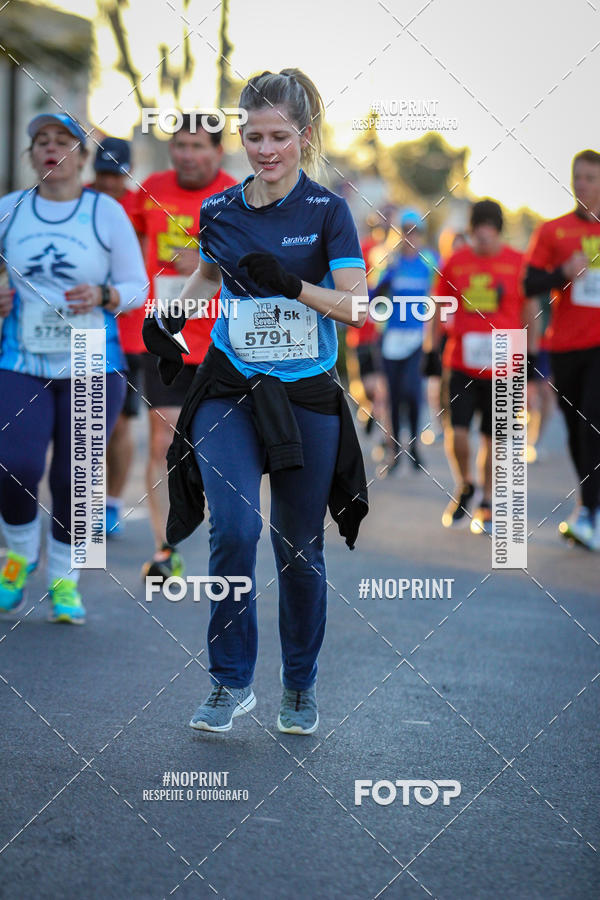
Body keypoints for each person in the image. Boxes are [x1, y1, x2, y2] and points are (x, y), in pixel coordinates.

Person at [143, 68, 369, 735]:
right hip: (231, 385)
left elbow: (356, 307)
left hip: (305, 391)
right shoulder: (218, 209)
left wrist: (294, 287)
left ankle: (298, 686)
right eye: (253, 136)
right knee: (234, 529)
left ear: (303, 135)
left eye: (278, 136)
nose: (264, 149)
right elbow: (209, 273)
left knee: (297, 547)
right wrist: (171, 318)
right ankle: (229, 681)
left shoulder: (328, 212)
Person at [0, 114, 147, 621]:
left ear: (82, 158)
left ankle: (65, 579)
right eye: (41, 141)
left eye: (64, 142)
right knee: (15, 464)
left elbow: (138, 287)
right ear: (31, 153)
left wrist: (105, 294)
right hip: (21, 359)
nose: (51, 149)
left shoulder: (104, 212)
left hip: (92, 359)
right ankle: (19, 555)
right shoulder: (10, 210)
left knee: (74, 476)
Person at [131, 115, 236, 579]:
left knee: (219, 446)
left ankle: (225, 540)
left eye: (198, 146)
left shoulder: (237, 195)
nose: (187, 154)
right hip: (166, 337)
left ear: (217, 151)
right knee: (162, 439)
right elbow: (126, 242)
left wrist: (209, 262)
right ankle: (163, 549)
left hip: (222, 341)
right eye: (180, 145)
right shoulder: (150, 188)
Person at [425, 199, 538, 534]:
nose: (484, 237)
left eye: (490, 229)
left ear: (498, 230)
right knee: (456, 433)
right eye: (478, 230)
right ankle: (465, 483)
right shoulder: (455, 262)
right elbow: (437, 305)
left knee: (494, 439)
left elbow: (529, 309)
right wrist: (430, 351)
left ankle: (487, 502)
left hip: (504, 363)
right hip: (460, 361)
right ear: (473, 230)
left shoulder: (519, 263)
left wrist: (529, 359)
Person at [524, 149, 600, 550]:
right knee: (575, 429)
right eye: (579, 176)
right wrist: (561, 274)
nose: (583, 184)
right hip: (566, 345)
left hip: (599, 346)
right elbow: (528, 284)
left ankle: (590, 512)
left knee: (592, 420)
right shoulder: (553, 232)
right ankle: (591, 506)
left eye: (591, 177)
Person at [87, 137, 144, 536]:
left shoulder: (141, 206)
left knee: (120, 426)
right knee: (85, 421)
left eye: (116, 174)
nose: (109, 183)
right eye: (104, 174)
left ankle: (111, 502)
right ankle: (83, 503)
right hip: (84, 330)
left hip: (130, 334)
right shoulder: (78, 200)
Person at [373, 209, 437, 476]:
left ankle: (415, 449)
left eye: (415, 231)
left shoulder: (429, 262)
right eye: (406, 231)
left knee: (412, 392)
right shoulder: (390, 261)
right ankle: (395, 453)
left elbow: (440, 295)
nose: (411, 236)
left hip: (417, 338)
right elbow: (373, 295)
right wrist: (385, 273)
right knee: (394, 395)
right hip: (390, 338)